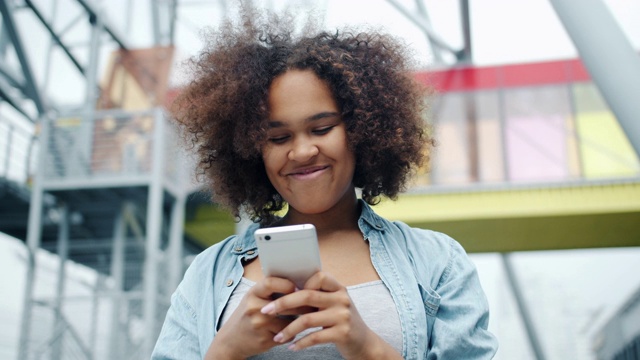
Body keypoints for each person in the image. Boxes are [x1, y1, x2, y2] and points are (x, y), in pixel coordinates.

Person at [152, 6, 498, 360]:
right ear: (251, 150)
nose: (302, 151)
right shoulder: (208, 272)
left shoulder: (438, 262)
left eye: (322, 128)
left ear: (361, 132)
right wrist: (224, 351)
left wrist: (367, 347)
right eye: (278, 137)